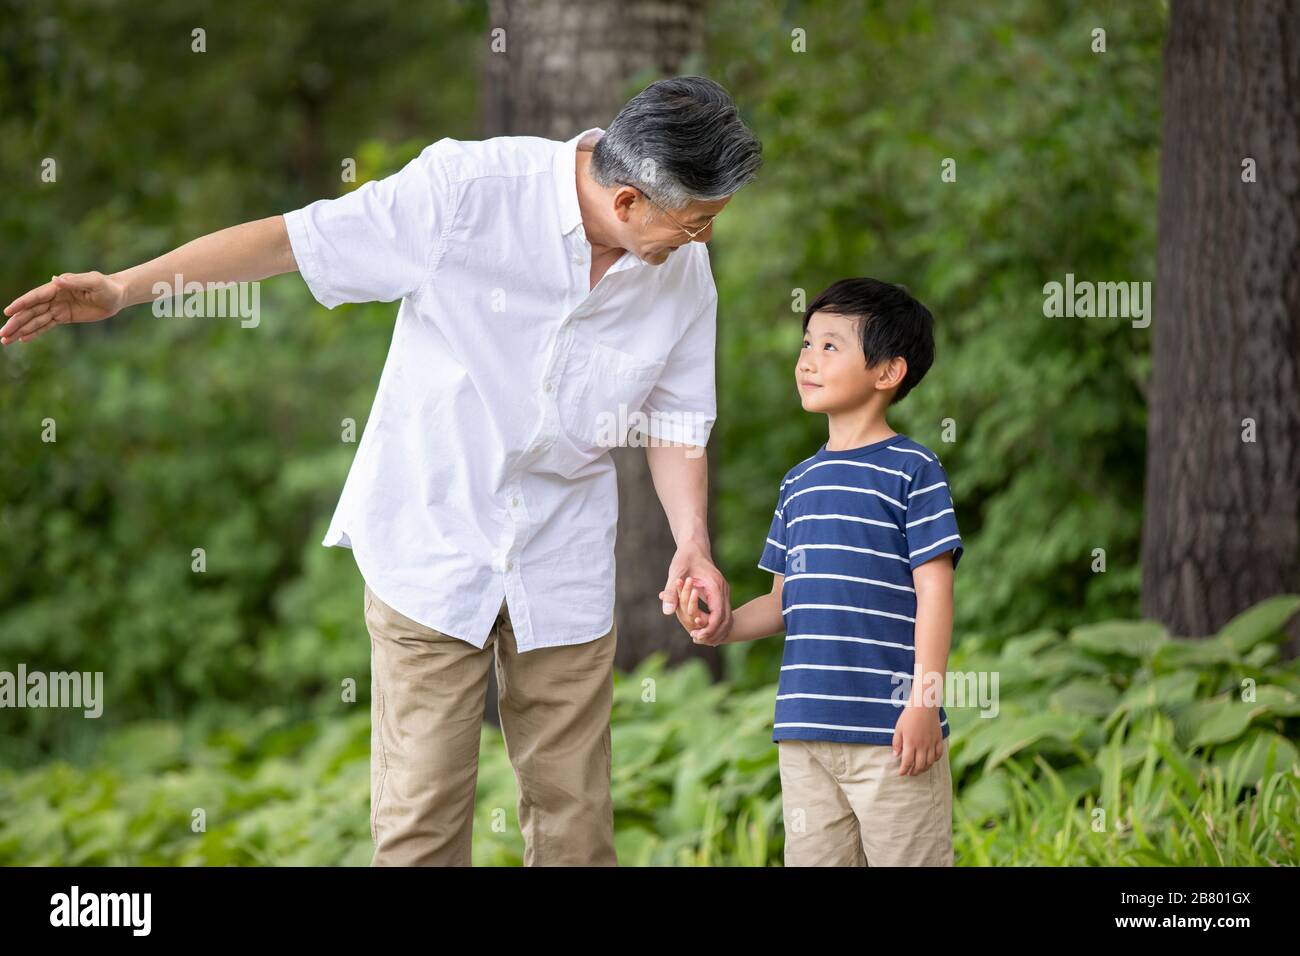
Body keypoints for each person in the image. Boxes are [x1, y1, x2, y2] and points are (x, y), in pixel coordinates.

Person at [1, 75, 763, 866]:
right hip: (431, 545)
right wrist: (125, 288)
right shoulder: (466, 192)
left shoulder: (681, 273)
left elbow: (673, 418)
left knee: (577, 826)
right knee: (421, 826)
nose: (702, 241)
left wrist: (692, 541)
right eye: (696, 223)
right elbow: (291, 240)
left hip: (562, 558)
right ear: (631, 200)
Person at [671, 277, 962, 866]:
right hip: (805, 732)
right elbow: (784, 600)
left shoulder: (912, 470)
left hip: (892, 734)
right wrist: (721, 625)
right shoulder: (798, 483)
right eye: (807, 344)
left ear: (887, 373)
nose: (807, 359)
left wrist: (924, 702)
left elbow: (935, 592)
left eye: (830, 346)